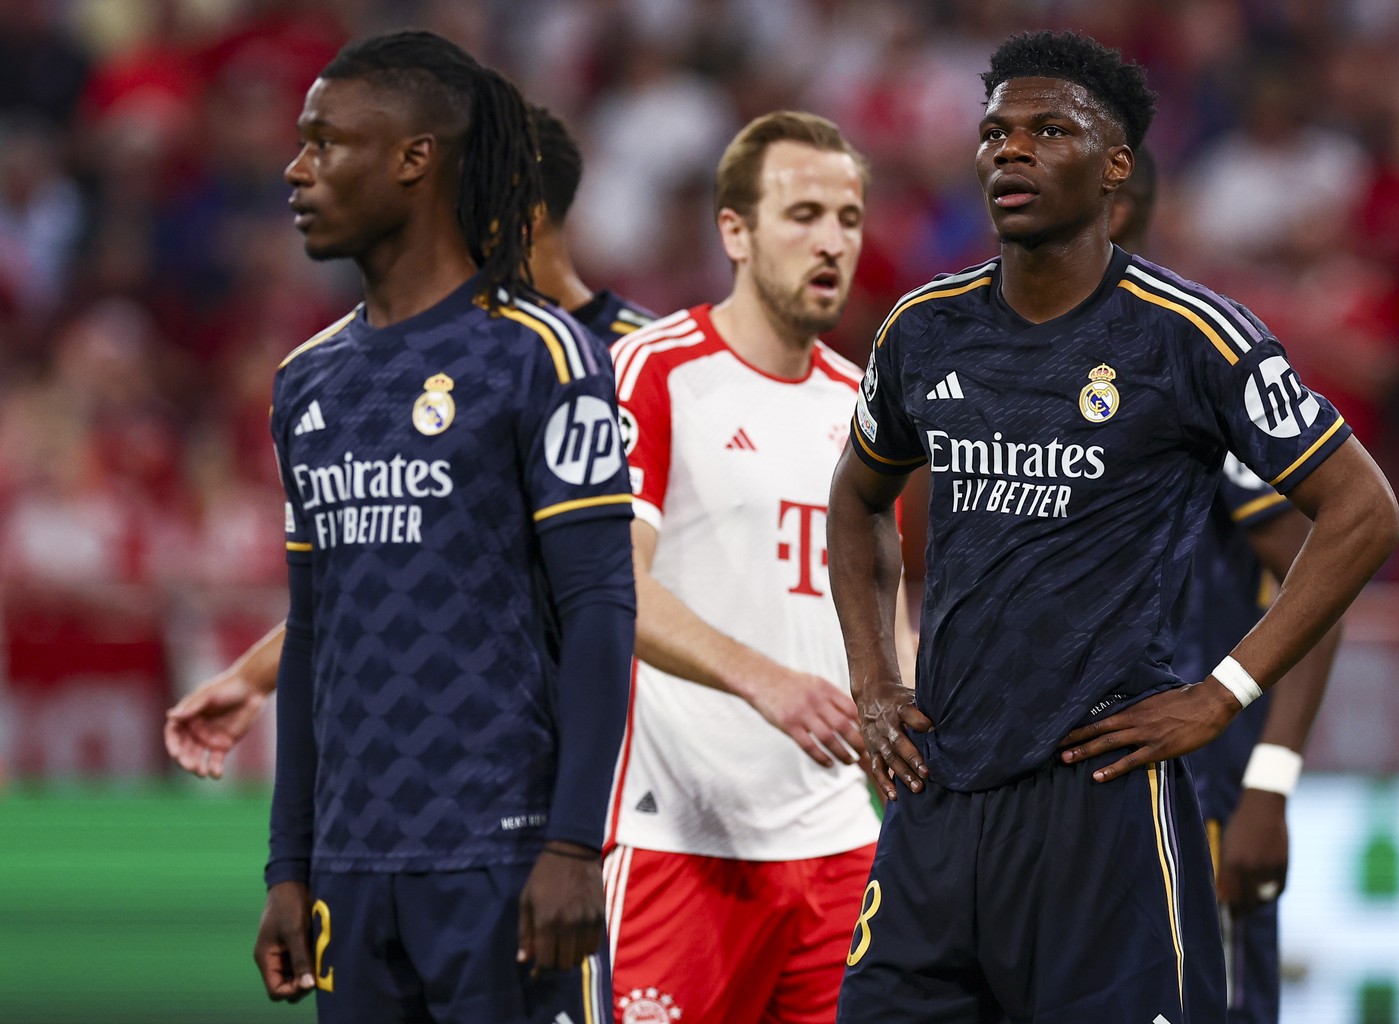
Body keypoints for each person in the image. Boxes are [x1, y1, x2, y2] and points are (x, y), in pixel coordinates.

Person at [828, 30, 1399, 1024]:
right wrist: (874, 677)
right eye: (996, 132)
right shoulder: (923, 328)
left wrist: (1223, 699)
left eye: (1050, 130)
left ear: (1116, 167)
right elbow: (855, 497)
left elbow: (1363, 511)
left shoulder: (1190, 337)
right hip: (940, 797)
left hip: (1106, 802)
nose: (1011, 151)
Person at [256, 31, 634, 1022]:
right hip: (353, 864)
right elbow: (311, 633)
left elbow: (600, 608)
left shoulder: (541, 354)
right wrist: (287, 864)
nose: (297, 170)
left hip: (505, 859)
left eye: (325, 143)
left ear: (414, 159)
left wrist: (571, 844)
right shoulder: (306, 383)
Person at [164, 105, 650, 781]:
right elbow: (400, 562)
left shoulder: (652, 364)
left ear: (519, 215)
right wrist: (255, 675)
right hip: (488, 764)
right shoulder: (439, 371)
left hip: (644, 761)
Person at [601, 111, 882, 1024]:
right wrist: (769, 683)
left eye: (847, 218)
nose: (831, 241)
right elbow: (611, 584)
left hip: (841, 847)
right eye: (803, 214)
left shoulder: (865, 405)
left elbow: (888, 603)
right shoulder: (655, 371)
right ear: (735, 230)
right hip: (678, 838)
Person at [1117, 149, 1343, 1024]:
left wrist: (1270, 784)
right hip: (1083, 787)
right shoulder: (1014, 371)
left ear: (1125, 208)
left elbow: (1324, 572)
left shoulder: (1196, 368)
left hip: (1204, 783)